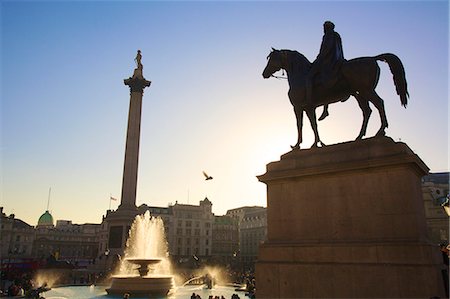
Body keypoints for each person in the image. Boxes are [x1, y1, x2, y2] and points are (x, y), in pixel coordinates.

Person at [306, 21, 345, 121]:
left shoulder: (328, 35)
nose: (323, 29)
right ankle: (325, 109)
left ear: (327, 27)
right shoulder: (337, 35)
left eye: (324, 27)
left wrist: (318, 58)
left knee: (309, 77)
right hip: (337, 60)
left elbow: (325, 49)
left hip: (327, 61)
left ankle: (310, 102)